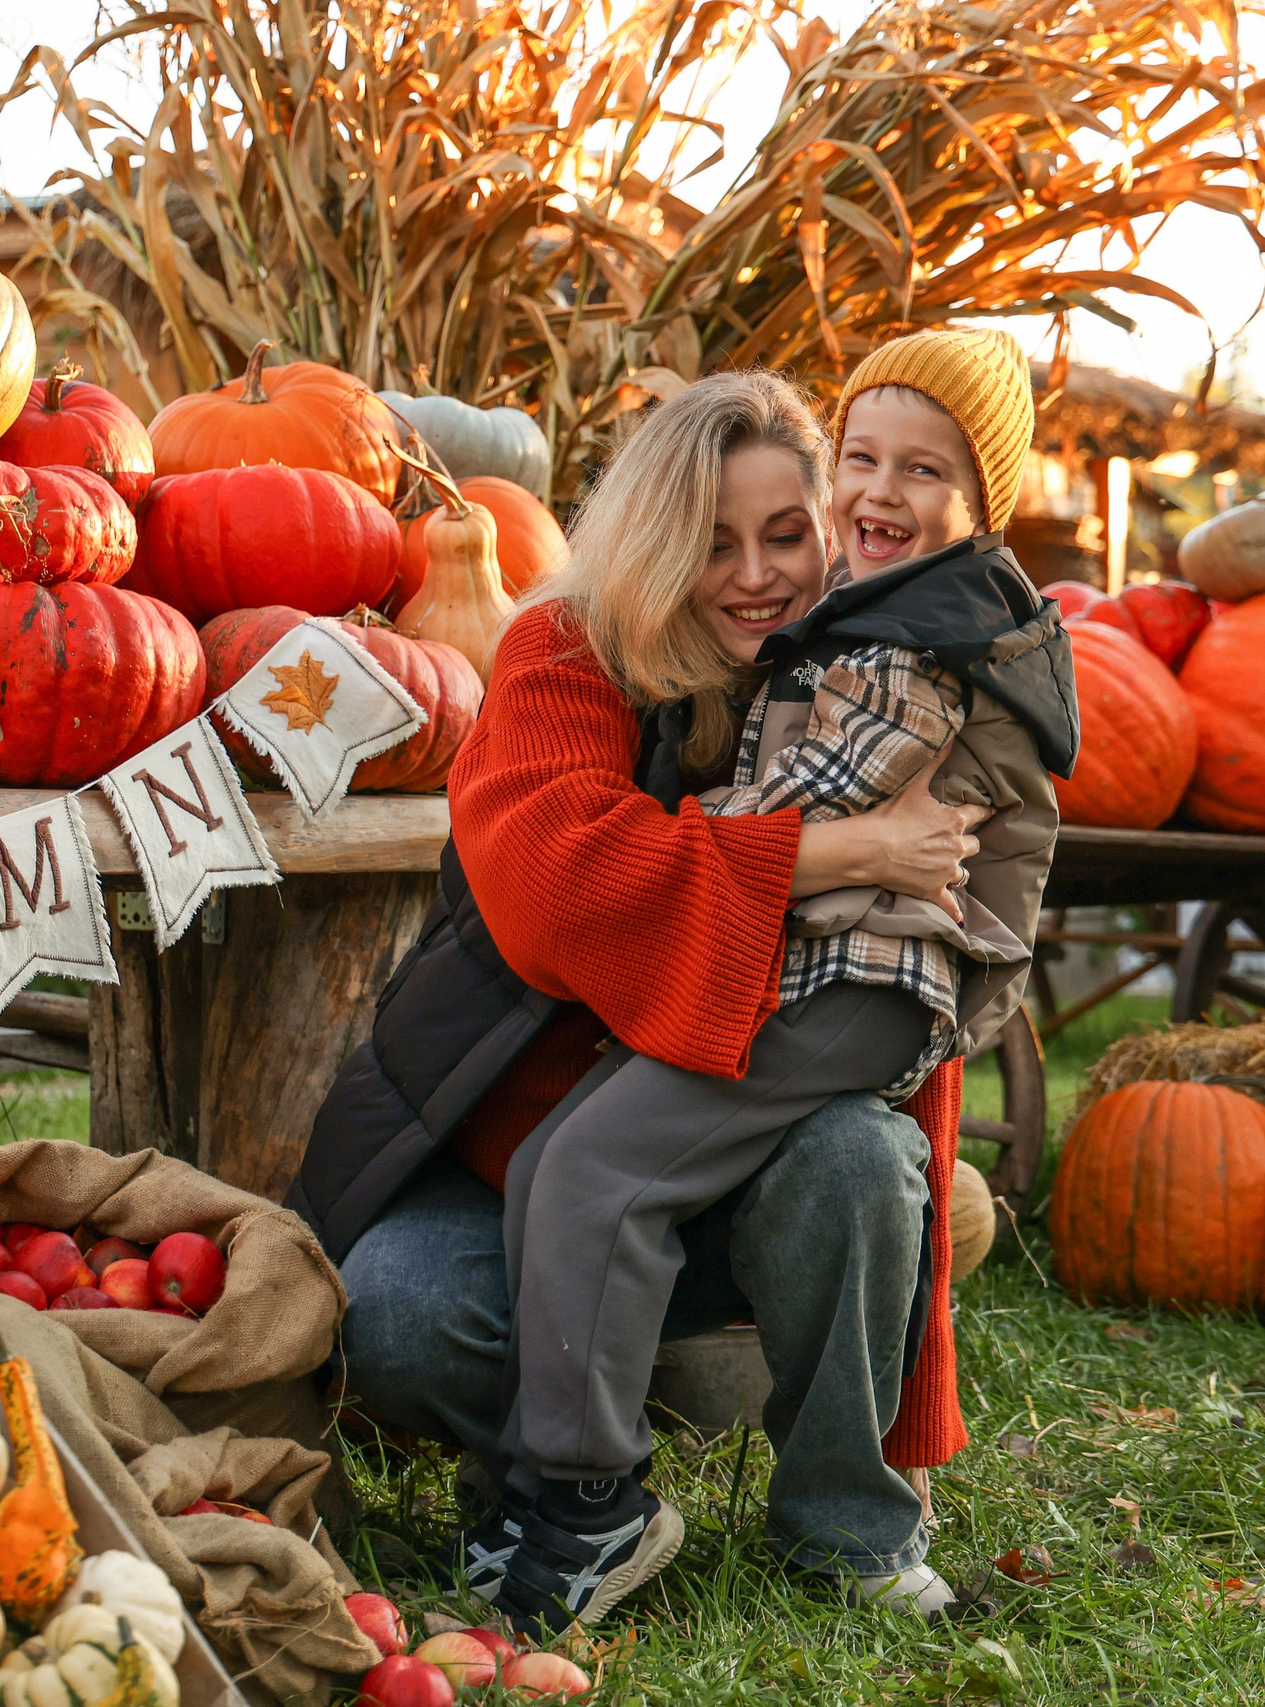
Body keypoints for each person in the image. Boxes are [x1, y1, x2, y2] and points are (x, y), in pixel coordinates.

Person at [289, 372, 998, 1632]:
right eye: (713, 542)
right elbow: (560, 883)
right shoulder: (563, 651)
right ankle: (574, 1494)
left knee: (862, 1161)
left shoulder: (872, 674)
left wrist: (896, 853)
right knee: (397, 1307)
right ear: (653, 540)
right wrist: (838, 854)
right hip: (522, 1179)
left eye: (787, 535)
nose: (755, 575)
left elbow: (946, 891)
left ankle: (846, 1522)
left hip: (739, 1163)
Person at [481, 327, 1076, 1635]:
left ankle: (593, 1500)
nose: (881, 491)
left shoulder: (921, 631)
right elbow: (584, 877)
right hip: (820, 967)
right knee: (550, 1172)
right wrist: (827, 849)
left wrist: (741, 825)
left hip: (848, 983)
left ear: (982, 502)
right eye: (863, 455)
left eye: (923, 469)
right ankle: (552, 1481)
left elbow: (829, 777)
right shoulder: (613, 649)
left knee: (593, 1174)